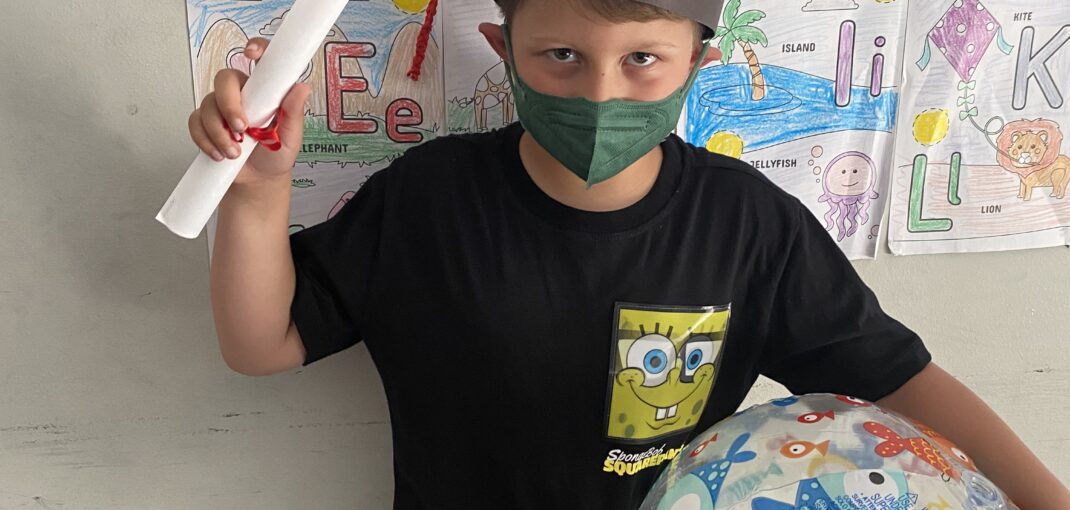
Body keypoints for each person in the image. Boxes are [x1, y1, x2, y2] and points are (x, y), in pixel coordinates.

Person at [186, 0, 1069, 507]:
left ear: (698, 64)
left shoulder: (750, 225)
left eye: (643, 58)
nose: (601, 93)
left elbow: (900, 381)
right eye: (561, 55)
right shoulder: (430, 199)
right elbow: (263, 344)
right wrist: (257, 195)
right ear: (503, 50)